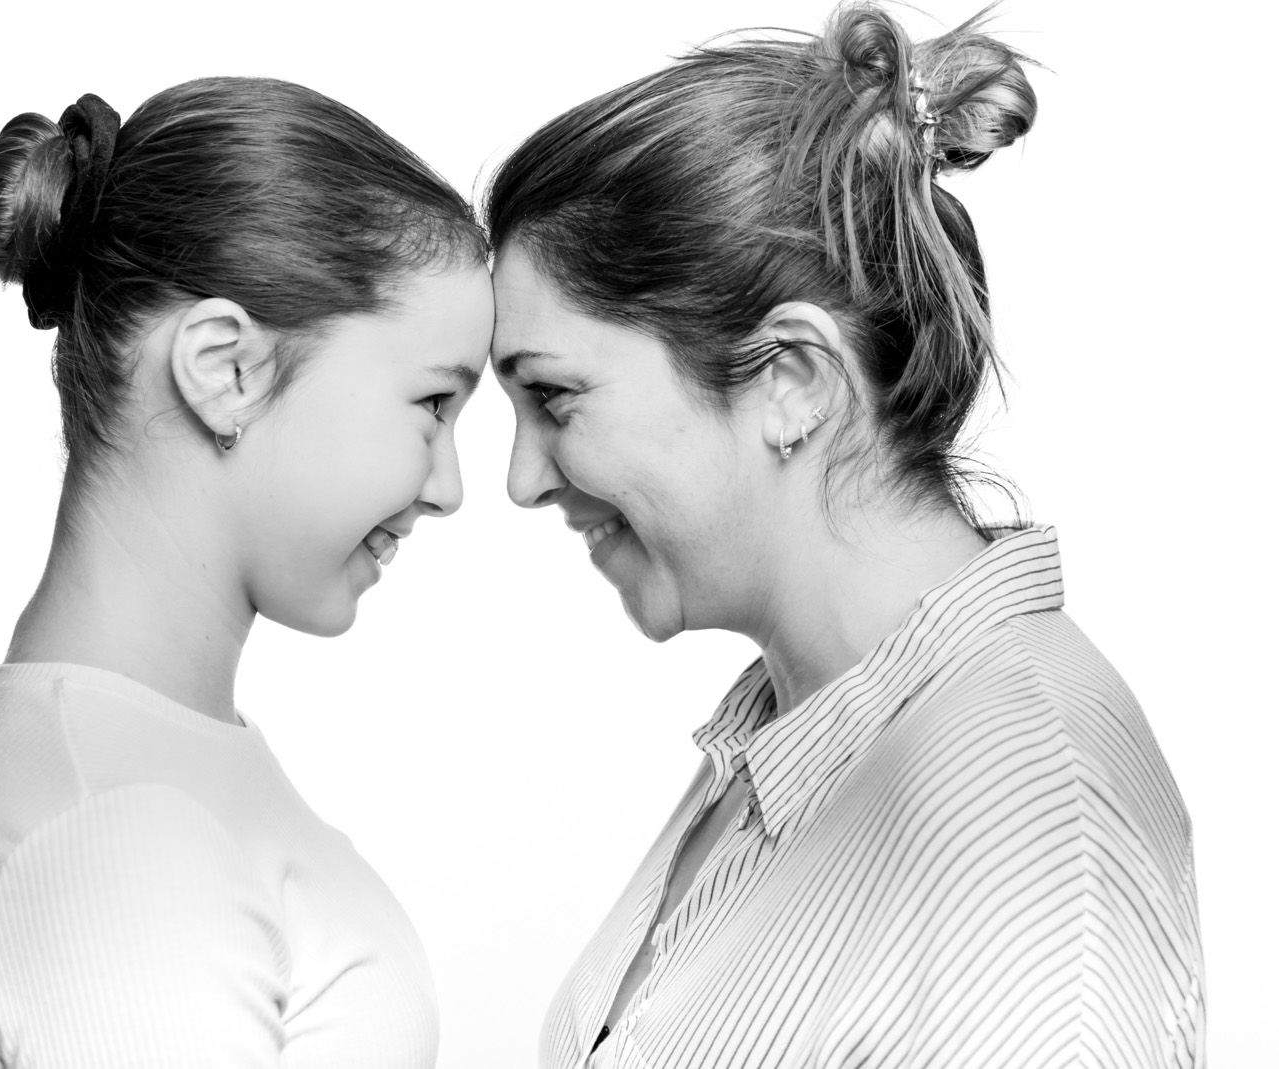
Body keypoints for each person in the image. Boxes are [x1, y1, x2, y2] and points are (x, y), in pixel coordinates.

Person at [484, 5, 1203, 1066]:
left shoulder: (1030, 835)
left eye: (554, 396)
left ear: (791, 382)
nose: (520, 477)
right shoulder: (792, 737)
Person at [0, 77, 491, 1069]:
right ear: (224, 368)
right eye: (432, 404)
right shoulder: (117, 844)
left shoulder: (135, 772)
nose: (449, 487)